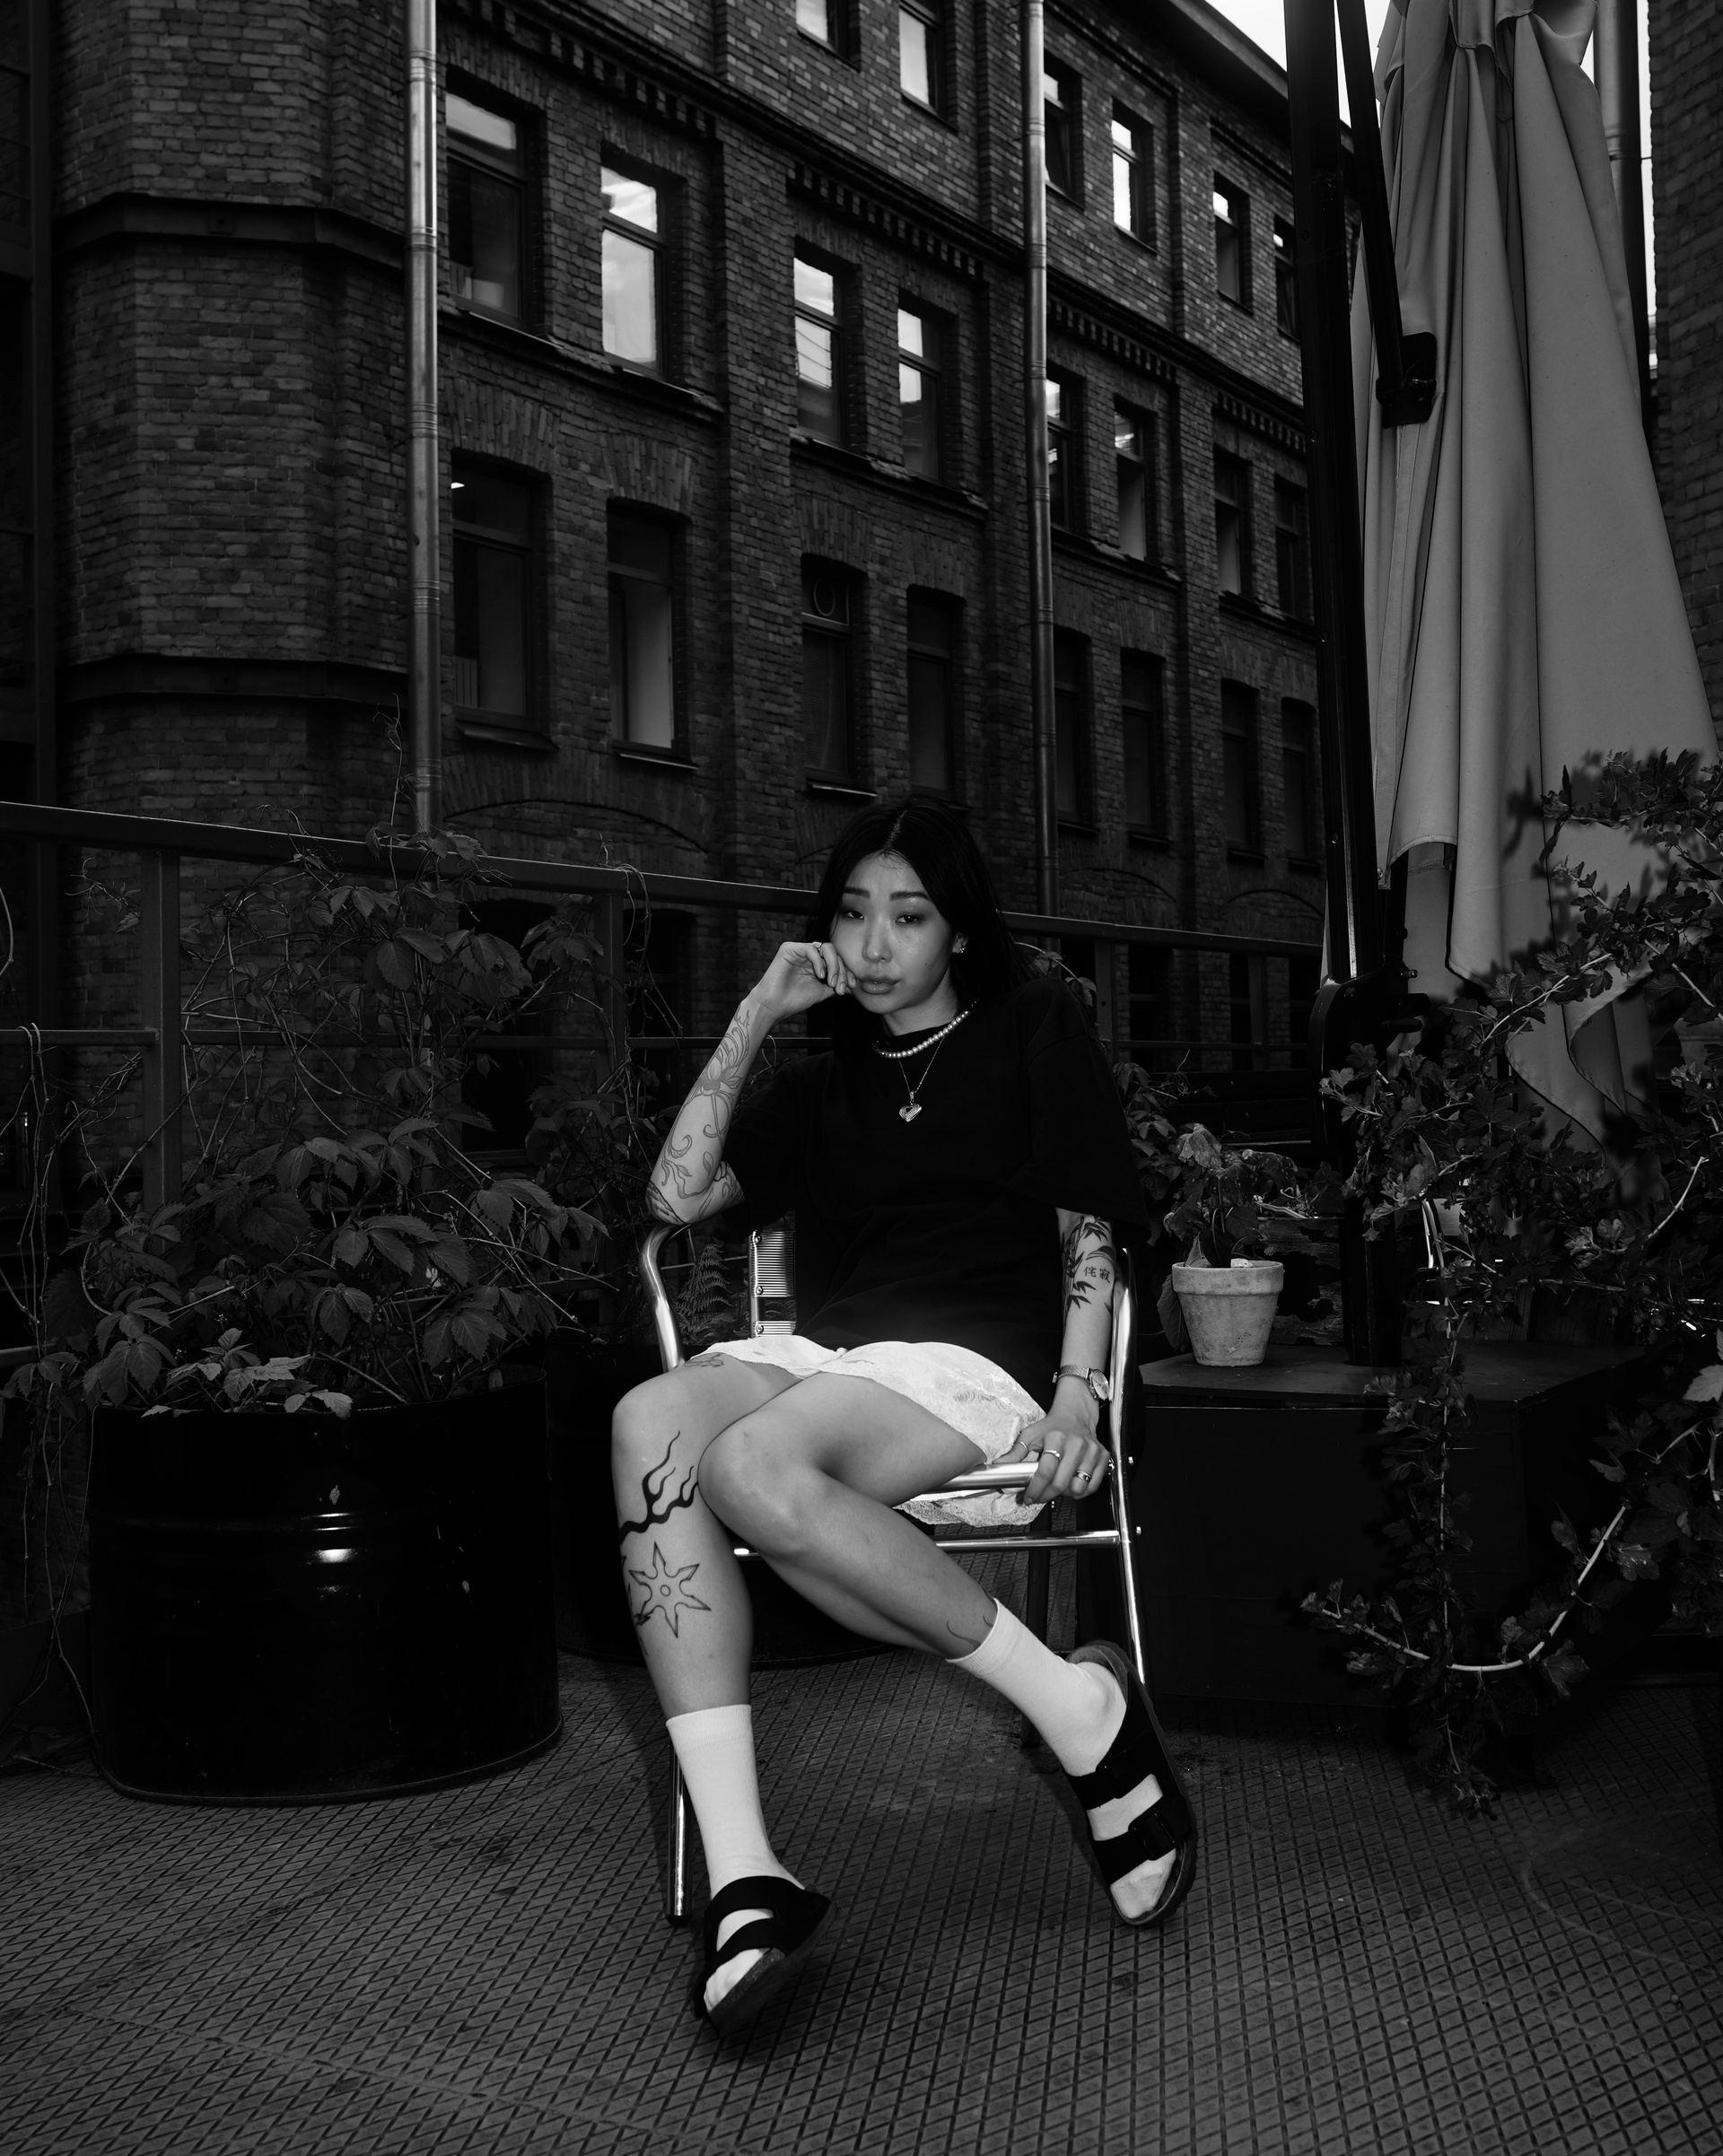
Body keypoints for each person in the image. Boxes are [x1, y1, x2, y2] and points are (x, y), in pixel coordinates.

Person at [612, 798, 1197, 2037]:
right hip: (837, 1359)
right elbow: (673, 1195)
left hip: (982, 1359)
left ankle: (1074, 1711)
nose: (875, 947)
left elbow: (1087, 1216)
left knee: (750, 1471)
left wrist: (1081, 1388)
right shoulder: (823, 1083)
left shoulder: (1031, 1023)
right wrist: (758, 1011)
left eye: (910, 916)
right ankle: (746, 1876)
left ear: (959, 930)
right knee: (649, 1423)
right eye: (853, 914)